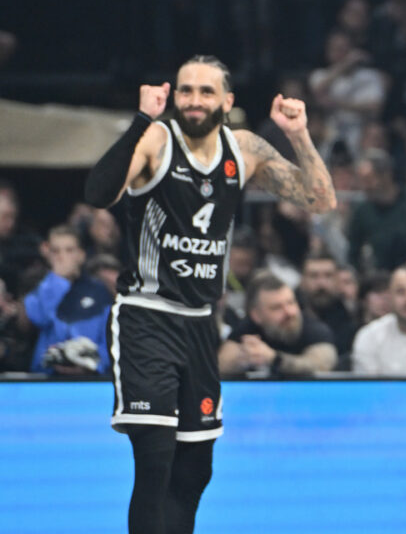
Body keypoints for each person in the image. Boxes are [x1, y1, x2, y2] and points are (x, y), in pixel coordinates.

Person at [83, 55, 336, 534]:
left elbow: (320, 200)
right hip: (147, 314)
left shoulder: (244, 148)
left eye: (205, 92)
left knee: (196, 469)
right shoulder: (158, 139)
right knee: (155, 459)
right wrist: (142, 121)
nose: (194, 101)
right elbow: (98, 193)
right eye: (186, 91)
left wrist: (299, 134)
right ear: (173, 96)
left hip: (201, 322)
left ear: (227, 100)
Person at [25, 225, 111, 375]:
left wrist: (92, 365)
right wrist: (58, 281)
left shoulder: (99, 291)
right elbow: (39, 318)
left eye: (69, 250)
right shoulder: (39, 286)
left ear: (81, 255)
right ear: (48, 254)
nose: (61, 257)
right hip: (45, 378)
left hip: (90, 379)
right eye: (55, 251)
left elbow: (109, 340)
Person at [219, 272, 337, 377]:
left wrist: (274, 359)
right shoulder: (248, 329)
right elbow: (220, 364)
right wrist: (242, 357)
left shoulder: (315, 329)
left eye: (291, 303)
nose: (289, 312)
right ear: (256, 315)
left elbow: (321, 367)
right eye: (277, 308)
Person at [297, 251, 357, 371]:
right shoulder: (289, 317)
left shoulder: (352, 323)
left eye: (328, 276)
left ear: (337, 280)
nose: (321, 284)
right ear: (302, 280)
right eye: (314, 276)